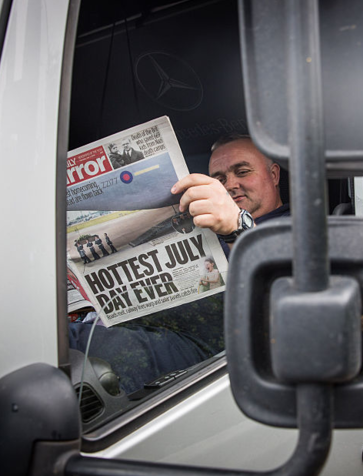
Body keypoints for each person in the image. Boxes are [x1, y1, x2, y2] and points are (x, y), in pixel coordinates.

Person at [69, 134, 289, 394]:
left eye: (242, 171)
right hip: (134, 322)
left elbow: (283, 306)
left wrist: (238, 226)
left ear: (273, 175)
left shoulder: (302, 229)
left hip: (209, 355)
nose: (231, 185)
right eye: (219, 179)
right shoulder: (202, 222)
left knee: (64, 343)